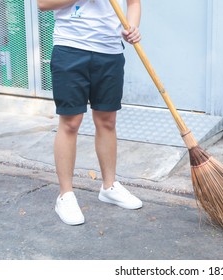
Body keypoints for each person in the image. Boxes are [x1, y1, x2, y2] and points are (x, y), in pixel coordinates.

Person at [37, 0, 143, 225]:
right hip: (70, 48)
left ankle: (109, 187)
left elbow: (133, 3)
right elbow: (43, 3)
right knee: (70, 122)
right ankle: (65, 195)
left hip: (110, 51)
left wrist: (132, 27)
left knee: (107, 120)